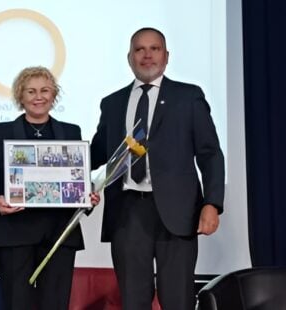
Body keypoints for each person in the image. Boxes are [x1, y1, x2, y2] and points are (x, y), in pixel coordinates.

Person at [90, 27, 225, 310]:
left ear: (166, 56)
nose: (147, 55)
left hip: (178, 214)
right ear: (129, 57)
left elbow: (210, 153)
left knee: (177, 300)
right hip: (127, 214)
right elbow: (96, 156)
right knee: (133, 300)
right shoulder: (112, 103)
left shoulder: (188, 97)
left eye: (154, 48)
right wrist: (75, 183)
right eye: (140, 49)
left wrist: (212, 203)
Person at [0, 66, 99, 310]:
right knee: (16, 304)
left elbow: (78, 178)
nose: (38, 97)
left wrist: (87, 198)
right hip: (15, 232)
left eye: (45, 90)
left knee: (55, 304)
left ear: (54, 94)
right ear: (20, 96)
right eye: (31, 91)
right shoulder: (1, 131)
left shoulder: (71, 131)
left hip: (59, 234)